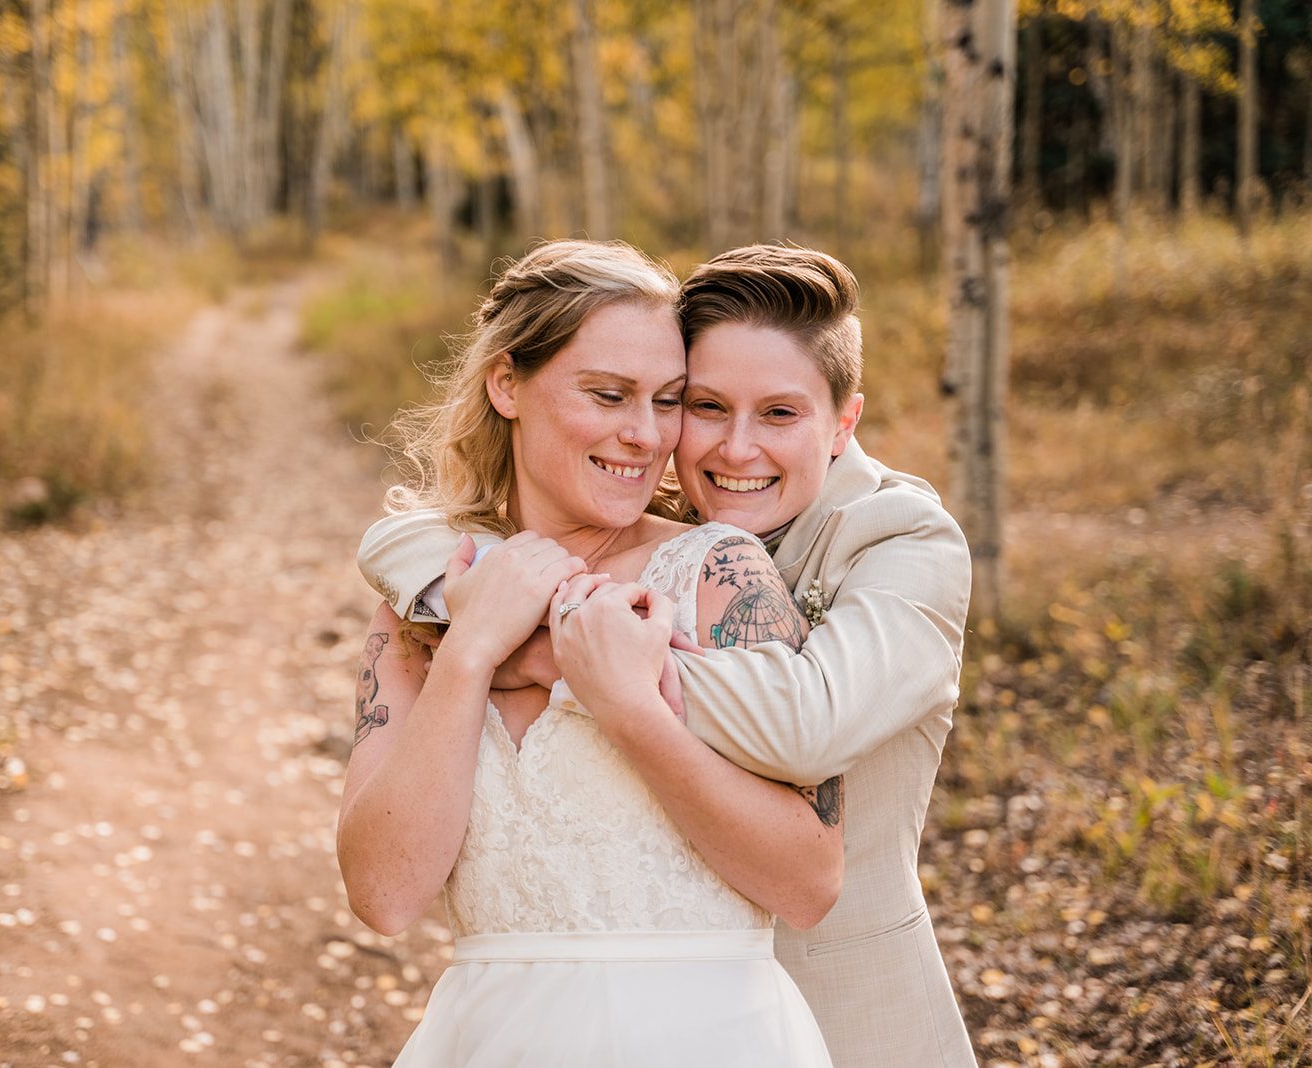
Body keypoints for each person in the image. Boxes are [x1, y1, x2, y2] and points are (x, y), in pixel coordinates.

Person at [359, 243, 977, 1067]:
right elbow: (383, 896)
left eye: (665, 400)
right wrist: (471, 647)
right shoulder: (441, 589)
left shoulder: (812, 554)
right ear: (506, 384)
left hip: (775, 1021)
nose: (662, 437)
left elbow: (805, 747)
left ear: (844, 424)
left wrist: (575, 668)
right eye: (704, 406)